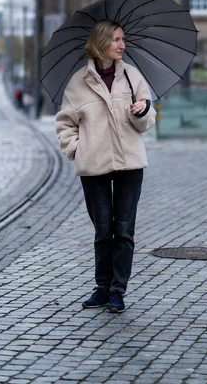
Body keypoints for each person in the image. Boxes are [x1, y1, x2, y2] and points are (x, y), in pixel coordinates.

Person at [55, 20, 156, 313]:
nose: (122, 44)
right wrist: (77, 149)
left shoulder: (132, 76)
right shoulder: (78, 82)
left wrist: (143, 110)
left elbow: (147, 120)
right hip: (94, 165)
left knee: (123, 230)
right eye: (116, 39)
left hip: (129, 164)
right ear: (100, 43)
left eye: (122, 39)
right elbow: (65, 123)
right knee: (103, 230)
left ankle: (117, 290)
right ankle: (101, 287)